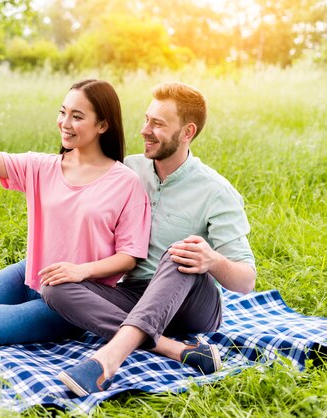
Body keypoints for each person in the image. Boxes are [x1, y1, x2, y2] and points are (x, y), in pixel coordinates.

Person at [43, 81, 257, 396]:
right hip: (132, 296)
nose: (145, 130)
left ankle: (107, 361)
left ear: (187, 132)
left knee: (181, 251)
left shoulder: (216, 192)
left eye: (157, 124)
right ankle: (174, 349)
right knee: (54, 285)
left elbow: (246, 280)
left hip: (189, 305)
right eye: (146, 119)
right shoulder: (127, 170)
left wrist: (212, 259)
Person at [0, 79, 151, 348]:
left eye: (77, 116)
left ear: (102, 125)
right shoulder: (42, 167)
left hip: (74, 297)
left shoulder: (126, 182)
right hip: (31, 274)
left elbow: (129, 257)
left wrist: (80, 271)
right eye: (63, 112)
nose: (65, 123)